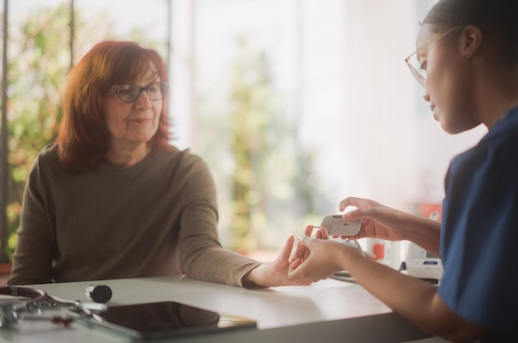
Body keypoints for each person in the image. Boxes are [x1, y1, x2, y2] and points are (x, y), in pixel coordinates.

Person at [288, 0, 518, 341]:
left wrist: (346, 259)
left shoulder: (498, 159)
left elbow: (454, 320)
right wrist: (405, 226)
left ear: (469, 41)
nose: (424, 92)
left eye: (424, 63)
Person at [8, 40, 312, 289]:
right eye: (126, 90)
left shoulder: (187, 172)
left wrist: (263, 272)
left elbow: (200, 252)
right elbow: (27, 278)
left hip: (159, 322)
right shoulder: (51, 168)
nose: (144, 103)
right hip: (77, 323)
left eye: (153, 88)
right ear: (91, 100)